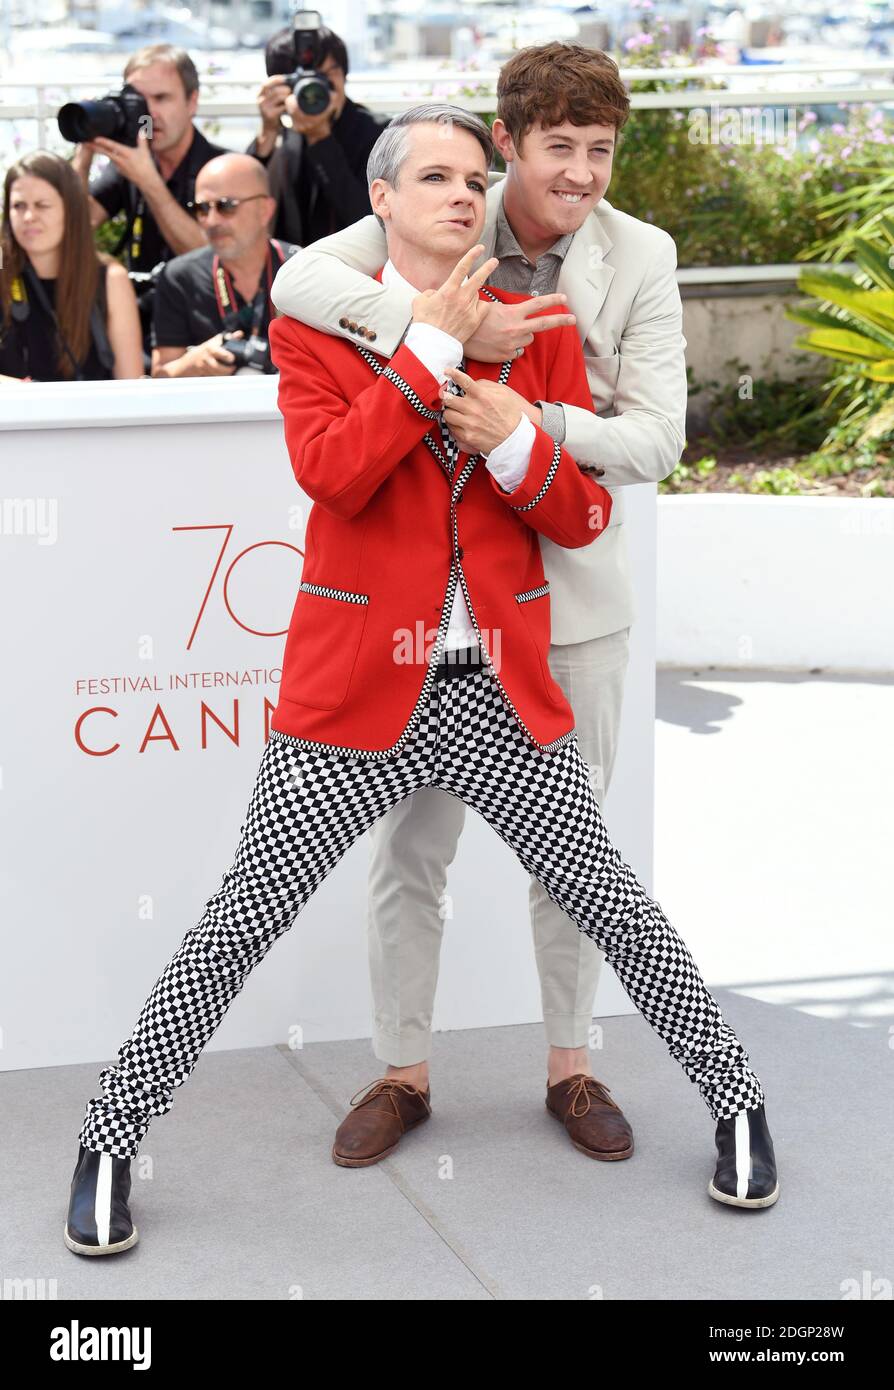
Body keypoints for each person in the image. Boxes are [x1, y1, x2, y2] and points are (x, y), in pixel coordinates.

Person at [64, 106, 777, 1258]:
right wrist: (434, 353)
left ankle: (738, 1102)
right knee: (239, 921)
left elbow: (583, 511)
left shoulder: (536, 326)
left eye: (475, 176)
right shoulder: (320, 331)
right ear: (380, 201)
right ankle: (108, 1138)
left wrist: (517, 438)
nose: (463, 193)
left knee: (612, 900)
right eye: (435, 177)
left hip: (496, 688)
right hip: (351, 696)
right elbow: (336, 477)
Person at [269, 42, 688, 1163]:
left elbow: (658, 438)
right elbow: (297, 283)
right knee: (411, 854)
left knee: (579, 855)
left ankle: (574, 1065)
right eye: (560, 149)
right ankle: (403, 1074)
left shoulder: (639, 254)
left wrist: (527, 427)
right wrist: (439, 336)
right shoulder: (440, 198)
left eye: (602, 151)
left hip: (574, 591)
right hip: (428, 615)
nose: (585, 174)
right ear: (508, 145)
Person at [71, 43, 230, 353]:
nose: (149, 112)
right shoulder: (133, 164)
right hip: (139, 323)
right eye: (139, 100)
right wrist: (84, 154)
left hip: (202, 328)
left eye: (161, 98)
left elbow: (216, 259)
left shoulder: (220, 170)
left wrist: (148, 181)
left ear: (192, 102)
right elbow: (74, 224)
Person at [0, 151, 142, 384]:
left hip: (92, 418)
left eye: (42, 205)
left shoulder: (109, 279)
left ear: (71, 210)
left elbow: (130, 386)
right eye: (18, 206)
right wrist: (22, 393)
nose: (28, 216)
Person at [150, 154, 297, 378]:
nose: (212, 220)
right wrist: (192, 364)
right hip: (211, 411)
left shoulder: (306, 269)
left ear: (265, 210)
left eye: (226, 206)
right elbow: (158, 380)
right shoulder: (179, 277)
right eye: (201, 208)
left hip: (298, 409)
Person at [247, 23, 386, 246]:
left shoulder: (381, 135)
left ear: (343, 74)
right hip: (292, 267)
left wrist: (320, 139)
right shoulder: (285, 134)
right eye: (301, 81)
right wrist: (267, 133)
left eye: (324, 75)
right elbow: (242, 204)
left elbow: (374, 224)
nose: (313, 90)